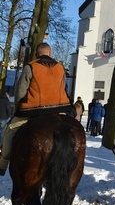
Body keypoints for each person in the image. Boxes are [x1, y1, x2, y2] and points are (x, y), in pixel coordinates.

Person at [0, 42, 73, 175]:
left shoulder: (31, 67)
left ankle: (3, 163)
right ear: (50, 53)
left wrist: (18, 109)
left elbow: (20, 91)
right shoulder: (61, 68)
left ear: (36, 54)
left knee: (10, 130)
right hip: (58, 109)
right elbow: (63, 88)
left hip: (33, 110)